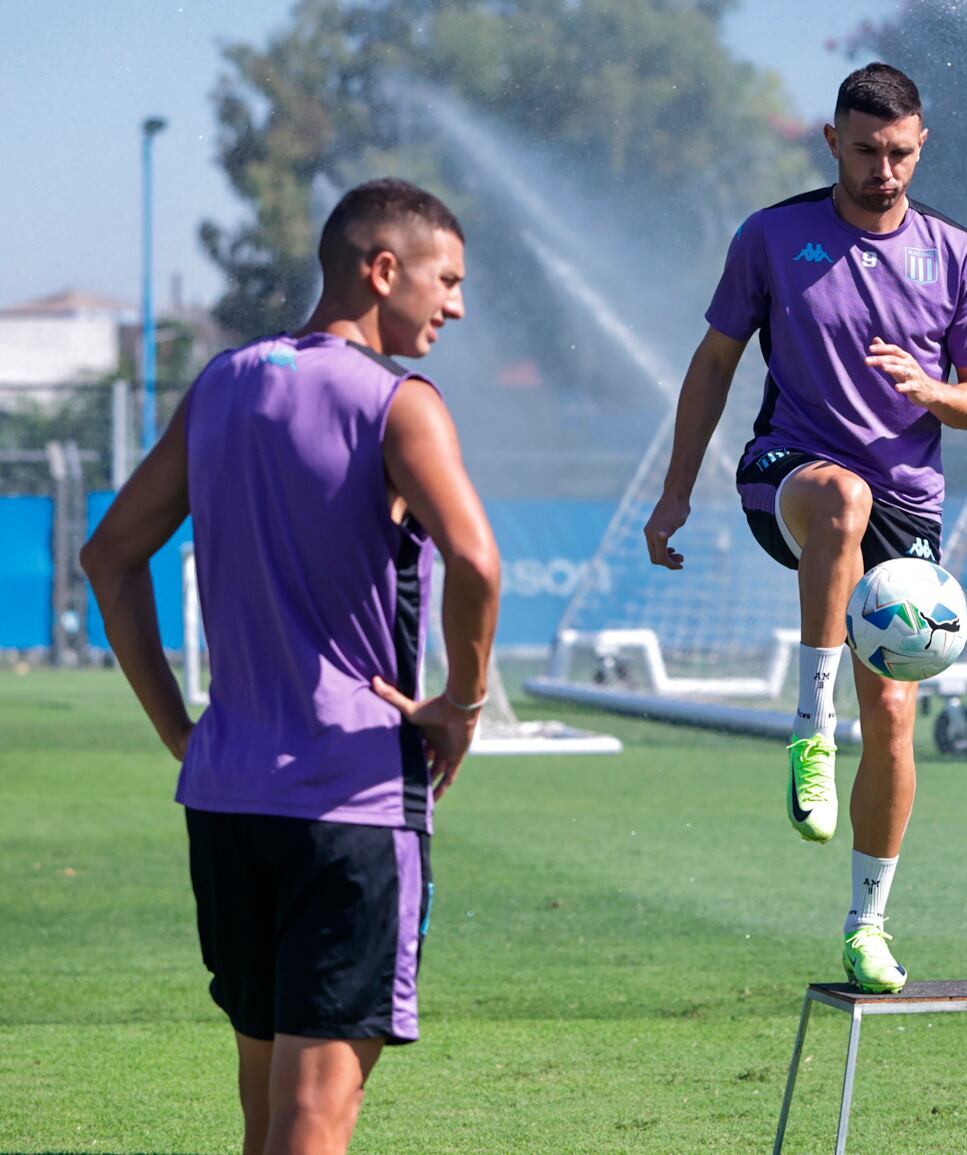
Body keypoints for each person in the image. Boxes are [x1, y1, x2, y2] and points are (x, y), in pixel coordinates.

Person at [82, 178, 501, 1155]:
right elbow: (478, 562)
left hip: (226, 798)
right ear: (381, 268)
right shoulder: (400, 404)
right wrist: (462, 703)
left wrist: (178, 730)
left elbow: (108, 557)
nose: (457, 305)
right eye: (446, 279)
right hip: (347, 800)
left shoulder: (224, 383)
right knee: (313, 1123)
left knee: (267, 1113)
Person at [642, 62, 967, 993]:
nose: (882, 170)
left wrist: (931, 389)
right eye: (864, 151)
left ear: (920, 144)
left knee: (896, 715)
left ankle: (867, 921)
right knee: (840, 499)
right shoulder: (773, 236)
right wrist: (675, 490)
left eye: (898, 154)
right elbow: (714, 362)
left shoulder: (959, 253)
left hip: (909, 510)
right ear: (831, 142)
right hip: (790, 476)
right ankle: (811, 727)